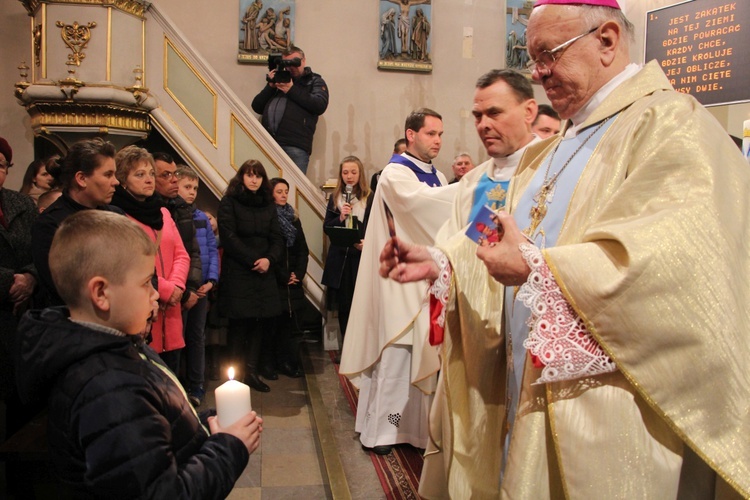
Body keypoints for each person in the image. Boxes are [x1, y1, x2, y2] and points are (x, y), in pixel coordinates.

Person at [383, 1, 750, 497]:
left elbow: (674, 265)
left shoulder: (671, 125)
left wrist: (540, 268)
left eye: (549, 54)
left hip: (602, 407)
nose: (538, 72)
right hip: (526, 385)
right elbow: (500, 235)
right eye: (532, 57)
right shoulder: (551, 150)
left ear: (607, 40)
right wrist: (442, 260)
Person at [15, 210, 262, 498]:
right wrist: (228, 447)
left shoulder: (120, 347)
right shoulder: (109, 389)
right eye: (146, 282)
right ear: (101, 293)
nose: (155, 294)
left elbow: (153, 423)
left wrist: (205, 424)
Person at [339, 109, 457, 456]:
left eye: (441, 134)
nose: (437, 140)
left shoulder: (438, 176)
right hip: (398, 280)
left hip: (428, 278)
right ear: (411, 134)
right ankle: (383, 433)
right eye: (431, 133)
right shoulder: (394, 173)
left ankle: (418, 433)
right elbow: (422, 207)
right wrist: (478, 186)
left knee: (424, 352)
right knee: (396, 356)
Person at [110, 146, 189, 375]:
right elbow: (128, 264)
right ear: (123, 180)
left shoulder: (162, 212)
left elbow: (181, 253)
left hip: (172, 309)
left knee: (172, 376)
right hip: (144, 308)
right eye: (140, 174)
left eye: (151, 174)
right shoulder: (119, 215)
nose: (149, 180)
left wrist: (177, 286)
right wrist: (164, 289)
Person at [218, 160, 284, 393]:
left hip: (264, 271)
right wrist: (252, 260)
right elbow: (228, 236)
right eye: (249, 175)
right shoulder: (229, 202)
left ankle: (252, 372)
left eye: (258, 176)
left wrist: (269, 259)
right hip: (239, 271)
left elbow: (277, 238)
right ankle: (234, 374)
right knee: (238, 325)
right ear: (242, 177)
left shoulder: (268, 204)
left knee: (259, 323)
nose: (254, 179)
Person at [31, 138, 122, 306]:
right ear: (81, 178)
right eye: (108, 174)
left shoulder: (117, 216)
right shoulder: (50, 225)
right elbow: (66, 287)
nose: (116, 181)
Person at [176, 166, 220, 405]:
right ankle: (176, 385)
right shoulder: (171, 214)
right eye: (187, 187)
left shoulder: (201, 217)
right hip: (180, 289)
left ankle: (197, 385)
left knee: (196, 337)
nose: (192, 192)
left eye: (195, 188)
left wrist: (211, 280)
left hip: (201, 287)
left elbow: (212, 251)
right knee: (177, 337)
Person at [251, 46, 329, 175]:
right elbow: (257, 107)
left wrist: (291, 90)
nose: (291, 67)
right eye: (287, 63)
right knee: (268, 188)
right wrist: (270, 86)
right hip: (269, 143)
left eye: (295, 62)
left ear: (303, 61)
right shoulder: (278, 81)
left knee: (294, 188)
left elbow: (319, 105)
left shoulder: (314, 81)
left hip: (295, 145)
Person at [321, 156, 369, 354]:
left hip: (361, 257)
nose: (349, 176)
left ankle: (362, 349)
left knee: (362, 305)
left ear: (360, 174)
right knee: (344, 306)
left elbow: (377, 224)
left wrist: (368, 242)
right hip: (341, 258)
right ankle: (346, 349)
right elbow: (327, 226)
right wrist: (341, 217)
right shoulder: (336, 198)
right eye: (345, 172)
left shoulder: (369, 196)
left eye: (353, 172)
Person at [152, 152, 202, 318]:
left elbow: (189, 251)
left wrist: (189, 288)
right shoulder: (150, 212)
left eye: (175, 174)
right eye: (166, 175)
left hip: (182, 290)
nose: (174, 180)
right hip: (158, 292)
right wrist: (170, 289)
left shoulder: (182, 208)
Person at [270, 177, 308, 377]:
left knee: (293, 327)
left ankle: (290, 362)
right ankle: (276, 363)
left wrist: (298, 274)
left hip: (293, 280)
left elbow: (302, 250)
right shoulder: (268, 216)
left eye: (286, 191)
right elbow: (270, 251)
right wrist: (283, 275)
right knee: (276, 327)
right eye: (279, 191)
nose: (284, 195)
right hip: (277, 281)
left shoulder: (294, 217)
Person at [364, 138, 406, 231]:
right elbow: (374, 206)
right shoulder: (379, 176)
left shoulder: (413, 177)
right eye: (403, 153)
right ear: (394, 154)